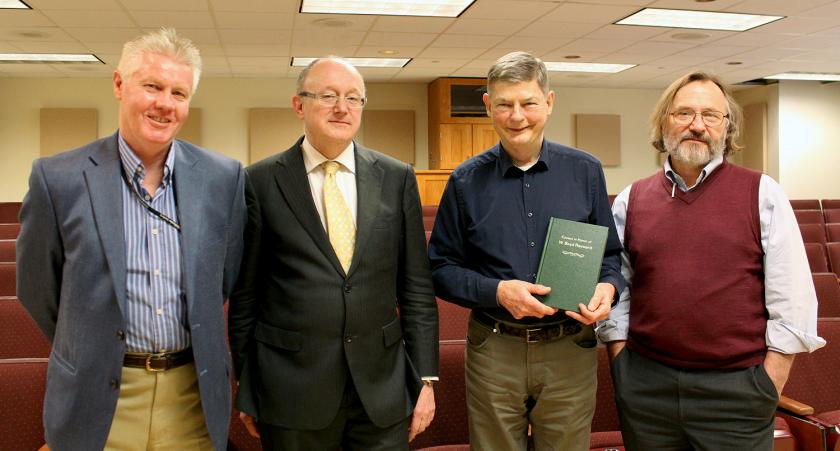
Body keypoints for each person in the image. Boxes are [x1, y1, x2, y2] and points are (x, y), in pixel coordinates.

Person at [16, 28, 246, 450]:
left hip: (191, 397)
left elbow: (223, 278)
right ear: (120, 85)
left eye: (178, 93)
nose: (165, 103)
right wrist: (90, 340)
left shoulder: (223, 178)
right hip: (98, 395)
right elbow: (36, 288)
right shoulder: (58, 178)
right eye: (152, 86)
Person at [597, 71, 826, 450]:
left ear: (726, 126)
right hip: (646, 388)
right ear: (664, 120)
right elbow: (618, 288)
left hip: (736, 392)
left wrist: (768, 383)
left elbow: (793, 298)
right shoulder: (631, 199)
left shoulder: (762, 193)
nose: (697, 125)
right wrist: (621, 361)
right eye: (684, 113)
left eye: (710, 115)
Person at [227, 57, 438, 451]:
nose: (342, 108)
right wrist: (247, 384)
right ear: (299, 105)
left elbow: (416, 290)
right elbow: (245, 296)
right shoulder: (259, 181)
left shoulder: (396, 178)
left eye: (353, 98)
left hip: (382, 390)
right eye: (328, 96)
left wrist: (425, 380)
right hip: (290, 392)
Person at [428, 51, 624, 451]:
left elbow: (610, 258)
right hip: (496, 347)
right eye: (504, 104)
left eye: (528, 103)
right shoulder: (465, 182)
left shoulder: (585, 171)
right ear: (488, 106)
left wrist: (608, 288)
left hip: (571, 347)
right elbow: (440, 268)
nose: (517, 116)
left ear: (549, 102)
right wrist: (496, 292)